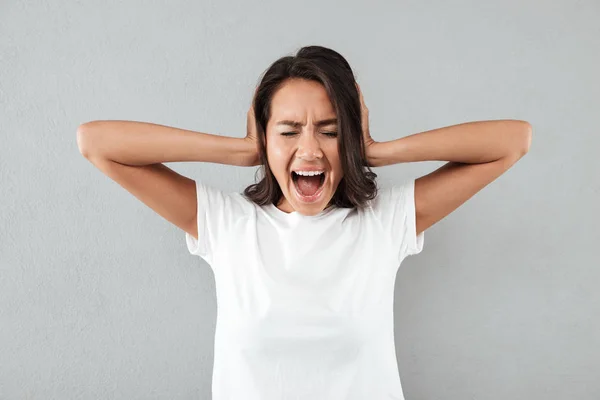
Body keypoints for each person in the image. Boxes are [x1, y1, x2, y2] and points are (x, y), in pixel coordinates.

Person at [77, 45, 532, 400]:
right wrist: (239, 150)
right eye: (289, 131)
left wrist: (372, 149)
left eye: (331, 131)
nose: (311, 150)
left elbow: (513, 140)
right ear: (265, 137)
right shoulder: (225, 224)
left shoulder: (385, 222)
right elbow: (96, 142)